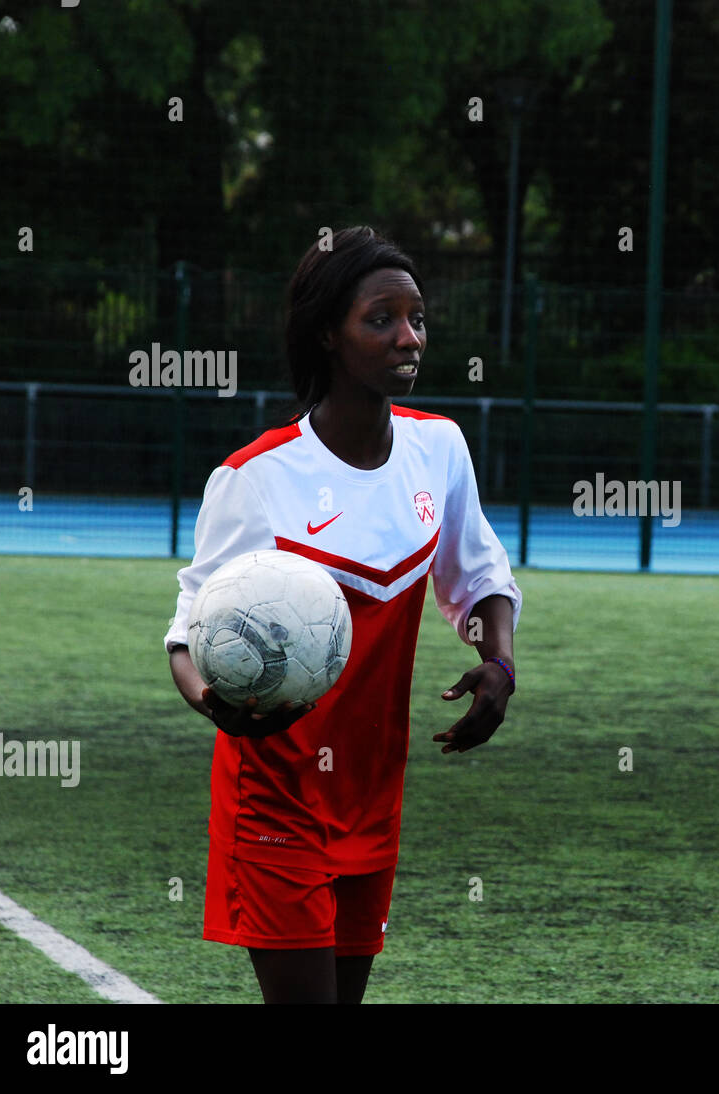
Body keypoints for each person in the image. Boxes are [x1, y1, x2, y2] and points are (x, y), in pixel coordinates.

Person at [164, 226, 520, 1003]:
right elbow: (187, 632)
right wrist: (215, 705)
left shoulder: (441, 450)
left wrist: (499, 661)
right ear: (328, 333)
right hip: (276, 794)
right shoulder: (256, 477)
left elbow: (481, 572)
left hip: (372, 792)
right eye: (381, 318)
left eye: (417, 318)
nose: (408, 336)